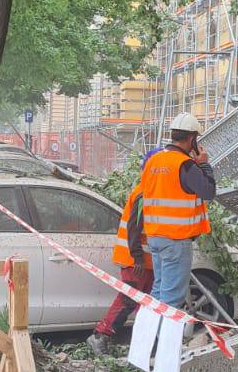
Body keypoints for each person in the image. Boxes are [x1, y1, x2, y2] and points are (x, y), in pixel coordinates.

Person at [140, 113, 217, 310]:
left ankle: (150, 339)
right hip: (175, 239)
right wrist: (205, 164)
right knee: (172, 300)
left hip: (155, 236)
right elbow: (208, 191)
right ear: (192, 139)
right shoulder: (184, 164)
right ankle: (164, 341)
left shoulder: (153, 161)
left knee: (158, 292)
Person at [86, 177, 154, 357]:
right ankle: (100, 336)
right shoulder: (144, 193)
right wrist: (138, 257)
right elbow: (134, 227)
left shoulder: (150, 190)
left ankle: (143, 343)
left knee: (145, 302)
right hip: (136, 261)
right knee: (128, 300)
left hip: (146, 261)